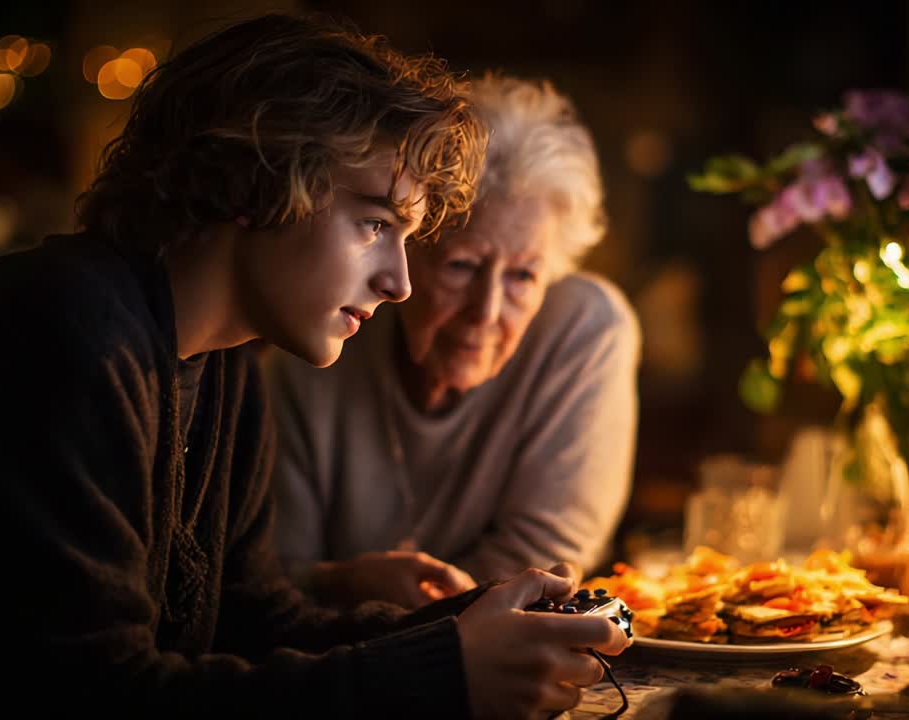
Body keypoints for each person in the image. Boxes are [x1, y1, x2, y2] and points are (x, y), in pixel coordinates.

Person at [0, 15, 627, 717]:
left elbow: (250, 620)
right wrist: (442, 673)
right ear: (257, 181)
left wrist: (465, 623)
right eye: (374, 224)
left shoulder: (224, 361)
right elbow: (96, 690)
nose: (398, 280)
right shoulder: (60, 337)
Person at [268, 74, 641, 610]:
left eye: (523, 277)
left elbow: (544, 564)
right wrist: (344, 584)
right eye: (462, 266)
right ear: (401, 252)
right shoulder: (318, 340)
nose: (486, 312)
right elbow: (273, 579)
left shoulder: (586, 330)